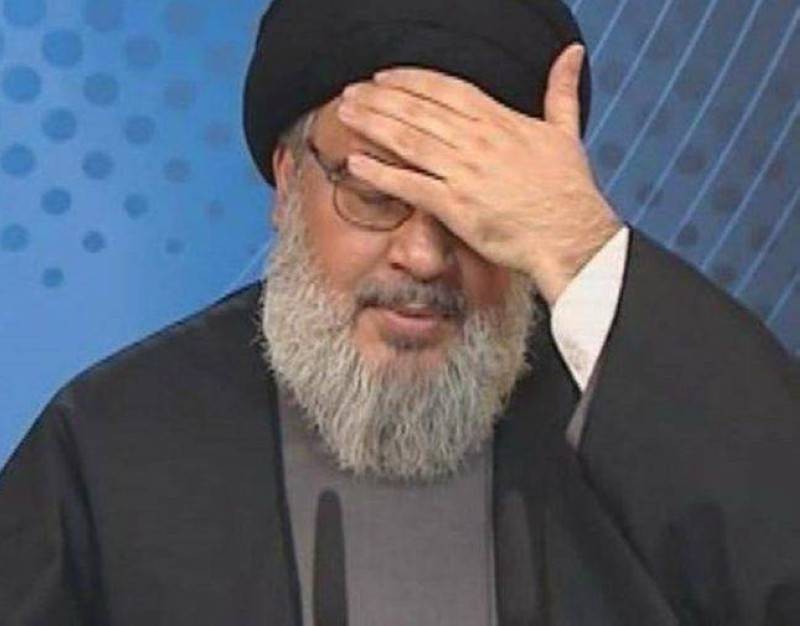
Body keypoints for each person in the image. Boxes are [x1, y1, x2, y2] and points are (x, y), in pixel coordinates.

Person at [1, 0, 798, 624]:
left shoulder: (654, 428)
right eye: (375, 194)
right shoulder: (109, 445)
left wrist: (582, 247)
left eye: (474, 208)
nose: (423, 256)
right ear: (289, 181)